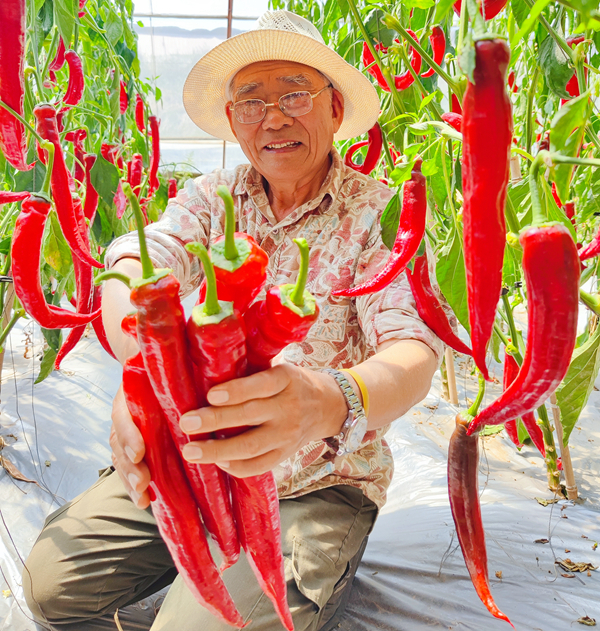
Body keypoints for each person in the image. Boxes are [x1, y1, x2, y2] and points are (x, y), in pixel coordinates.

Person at [23, 10, 443, 631]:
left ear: (333, 109)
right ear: (231, 122)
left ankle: (270, 577)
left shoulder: (380, 215)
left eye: (295, 94)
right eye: (251, 101)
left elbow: (413, 353)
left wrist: (327, 400)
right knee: (51, 590)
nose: (273, 117)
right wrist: (139, 374)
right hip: (196, 457)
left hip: (313, 482)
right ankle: (198, 557)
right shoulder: (215, 195)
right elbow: (142, 256)